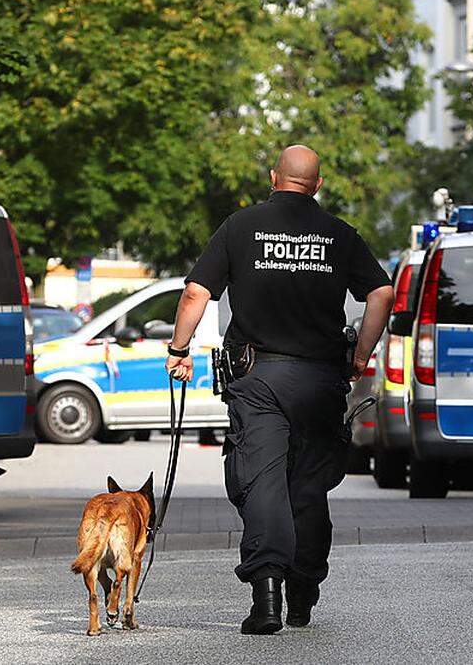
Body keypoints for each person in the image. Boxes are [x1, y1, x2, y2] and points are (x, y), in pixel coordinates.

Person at [164, 145, 394, 634]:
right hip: (319, 381)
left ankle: (266, 595)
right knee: (308, 486)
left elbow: (195, 292)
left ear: (273, 177)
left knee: (261, 481)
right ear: (318, 184)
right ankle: (303, 595)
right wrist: (360, 355)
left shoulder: (239, 227)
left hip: (258, 379)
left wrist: (179, 347)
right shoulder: (340, 235)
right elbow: (382, 291)